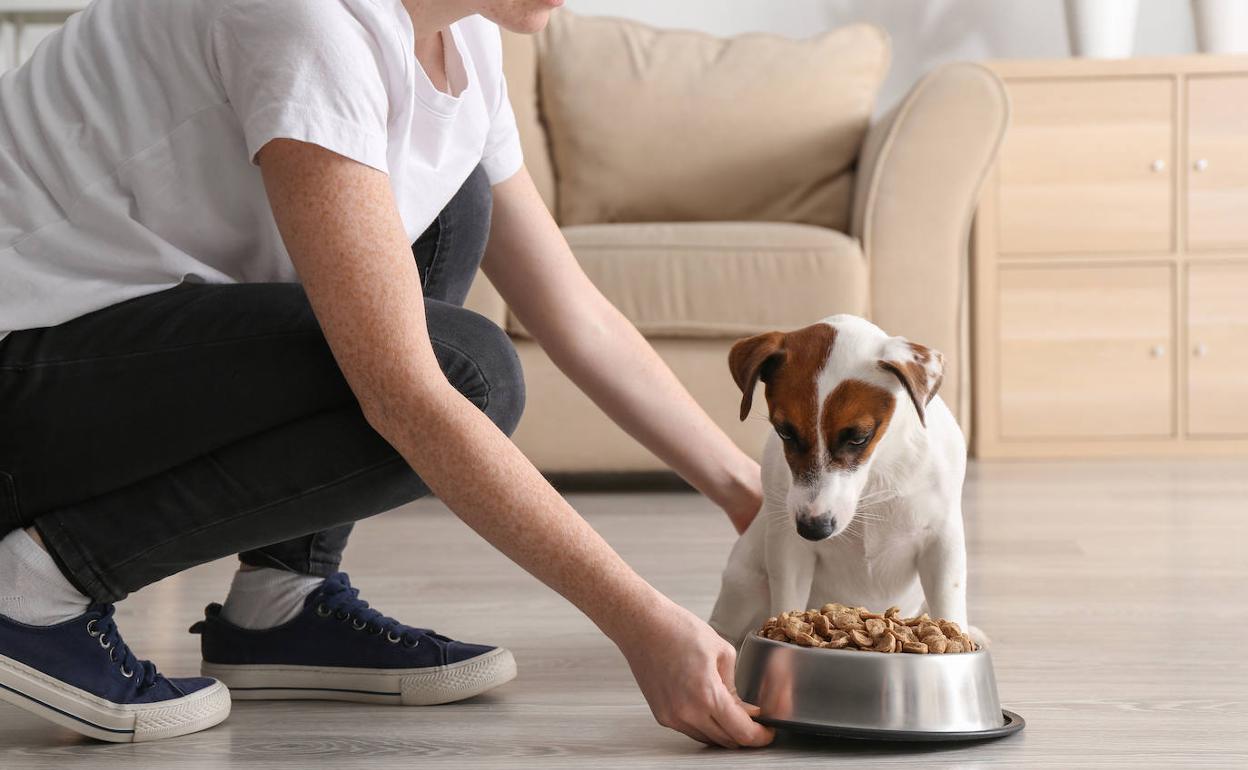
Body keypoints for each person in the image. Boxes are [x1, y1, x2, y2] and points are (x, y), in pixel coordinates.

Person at [0, 0, 775, 749]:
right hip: (23, 369)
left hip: (102, 349)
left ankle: (283, 597)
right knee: (471, 376)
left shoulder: (459, 42)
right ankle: (34, 589)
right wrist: (640, 623)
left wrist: (749, 494)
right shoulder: (306, 22)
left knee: (456, 196)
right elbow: (406, 396)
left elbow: (574, 312)